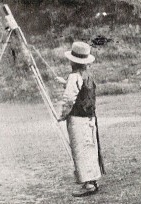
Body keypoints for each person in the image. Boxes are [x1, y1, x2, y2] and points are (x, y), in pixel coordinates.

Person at [57, 41, 105, 197]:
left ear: (73, 61)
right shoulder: (88, 75)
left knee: (80, 151)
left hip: (78, 120)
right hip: (90, 119)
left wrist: (61, 116)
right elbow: (81, 90)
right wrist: (65, 82)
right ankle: (92, 180)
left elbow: (69, 99)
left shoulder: (74, 77)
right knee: (90, 148)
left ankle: (89, 184)